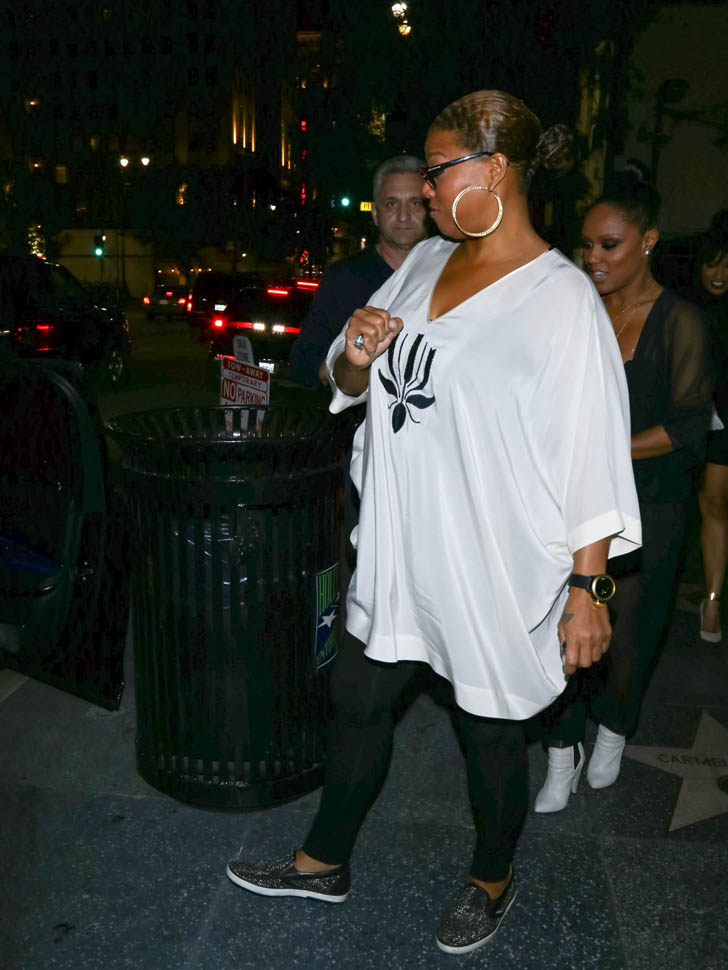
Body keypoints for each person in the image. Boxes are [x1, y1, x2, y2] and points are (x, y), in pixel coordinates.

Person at [226, 90, 640, 955]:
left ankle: (492, 876)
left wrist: (587, 589)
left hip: (491, 561)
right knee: (358, 701)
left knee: (490, 730)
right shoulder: (423, 262)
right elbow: (348, 382)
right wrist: (355, 352)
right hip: (399, 549)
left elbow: (591, 457)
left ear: (496, 171)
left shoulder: (562, 301)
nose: (425, 186)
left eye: (440, 169)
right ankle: (322, 861)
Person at [534, 163, 713, 814]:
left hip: (650, 505)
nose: (594, 257)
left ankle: (613, 728)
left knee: (630, 633)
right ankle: (561, 751)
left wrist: (604, 451)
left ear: (648, 242)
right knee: (560, 626)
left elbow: (688, 425)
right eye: (587, 244)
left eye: (609, 245)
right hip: (569, 503)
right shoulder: (573, 310)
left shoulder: (679, 322)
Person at [289, 155, 429, 386]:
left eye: (415, 203)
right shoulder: (343, 278)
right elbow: (304, 362)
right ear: (375, 214)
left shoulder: (449, 271)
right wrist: (351, 366)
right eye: (392, 204)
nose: (403, 216)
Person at [686, 214, 728, 641]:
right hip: (705, 426)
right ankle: (711, 605)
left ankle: (713, 600)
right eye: (713, 263)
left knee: (714, 507)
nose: (719, 273)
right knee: (711, 506)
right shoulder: (686, 309)